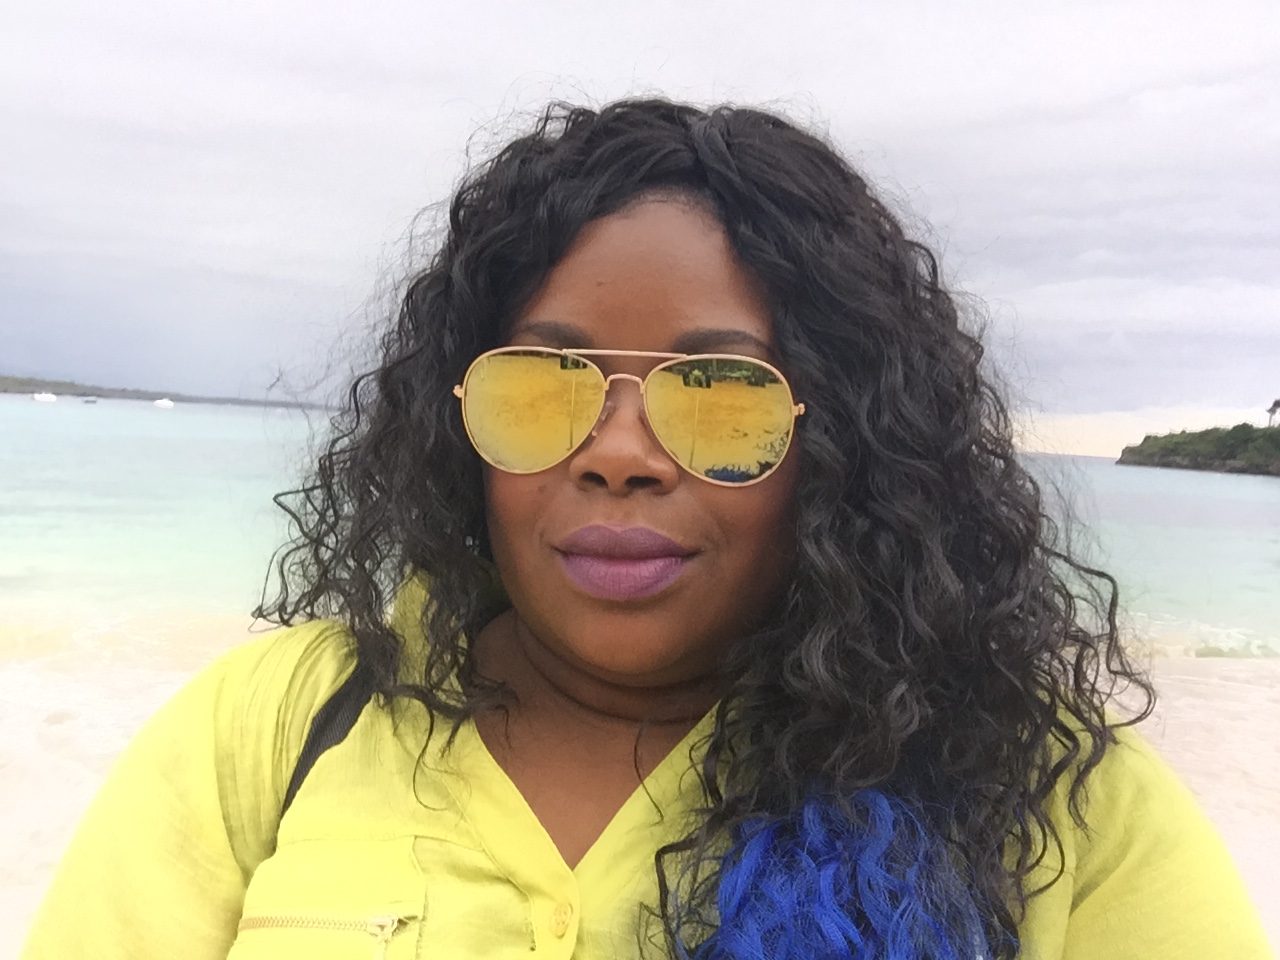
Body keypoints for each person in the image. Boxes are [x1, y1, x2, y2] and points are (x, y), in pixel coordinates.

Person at [20, 99, 1270, 960]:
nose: (617, 453)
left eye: (719, 391)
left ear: (841, 443)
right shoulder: (281, 726)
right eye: (541, 383)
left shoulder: (1046, 797)